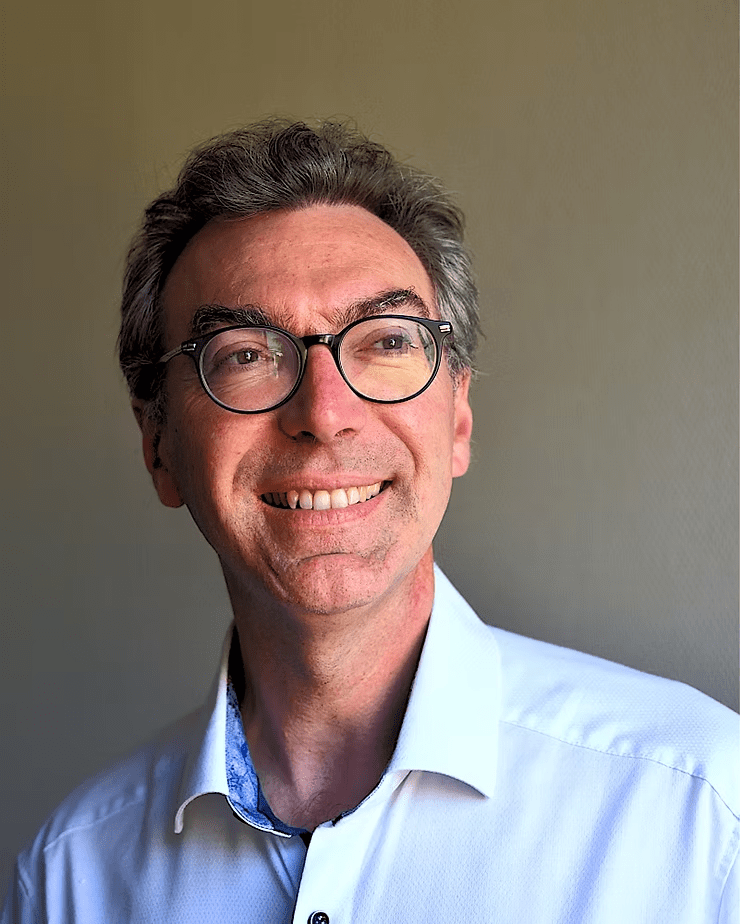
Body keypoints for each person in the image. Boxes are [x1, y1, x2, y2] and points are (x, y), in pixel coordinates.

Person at [3, 119, 737, 924]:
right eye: (246, 355)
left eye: (386, 341)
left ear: (458, 419)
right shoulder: (70, 877)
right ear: (158, 445)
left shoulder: (702, 811)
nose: (325, 413)